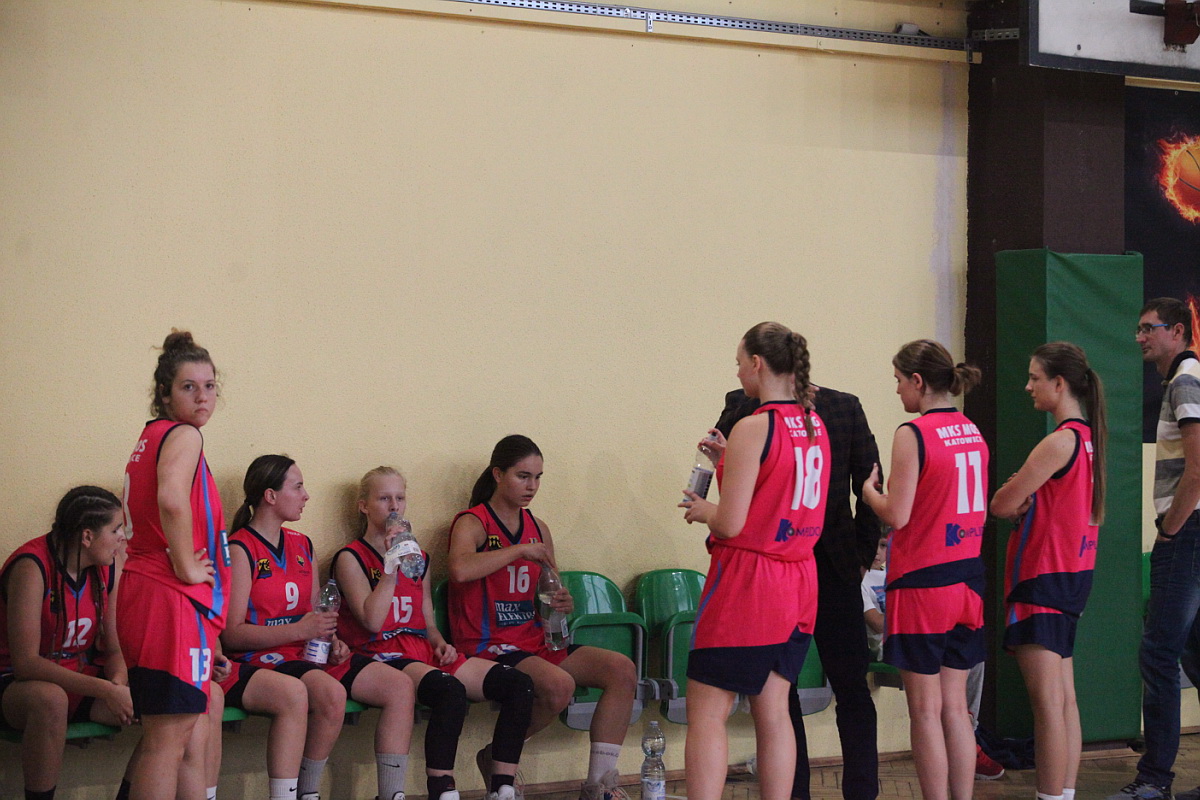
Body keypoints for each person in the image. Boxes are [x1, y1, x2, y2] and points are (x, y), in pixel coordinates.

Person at [679, 321, 830, 800]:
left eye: (740, 362)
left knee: (708, 711)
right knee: (774, 710)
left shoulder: (753, 426)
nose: (739, 371)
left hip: (751, 582)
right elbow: (774, 493)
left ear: (758, 364)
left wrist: (703, 510)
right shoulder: (813, 423)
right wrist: (729, 461)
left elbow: (730, 523)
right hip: (799, 579)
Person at [715, 382, 882, 800]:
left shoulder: (842, 406)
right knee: (779, 690)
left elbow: (871, 483)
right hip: (774, 566)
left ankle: (862, 791)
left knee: (851, 685)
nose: (740, 371)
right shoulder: (742, 406)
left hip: (833, 564)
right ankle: (793, 791)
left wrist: (863, 555)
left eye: (742, 360)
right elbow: (731, 477)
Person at [448, 435, 638, 800]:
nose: (532, 486)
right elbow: (459, 570)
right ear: (498, 474)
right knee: (558, 685)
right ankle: (498, 758)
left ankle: (599, 784)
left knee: (621, 670)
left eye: (537, 477)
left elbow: (549, 588)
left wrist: (561, 601)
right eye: (523, 476)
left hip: (532, 639)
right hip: (488, 643)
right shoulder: (473, 522)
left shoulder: (539, 528)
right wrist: (518, 550)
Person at [220, 455, 416, 800]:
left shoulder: (301, 544)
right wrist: (299, 631)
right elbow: (232, 634)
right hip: (259, 657)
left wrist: (332, 638)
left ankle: (371, 793)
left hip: (302, 651)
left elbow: (316, 613)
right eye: (297, 487)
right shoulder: (240, 548)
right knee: (328, 693)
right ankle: (299, 792)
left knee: (397, 686)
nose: (306, 495)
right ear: (270, 496)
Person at [334, 466, 535, 800]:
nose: (394, 506)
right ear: (364, 506)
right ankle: (442, 789)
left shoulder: (420, 558)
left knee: (519, 684)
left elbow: (426, 622)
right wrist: (390, 567)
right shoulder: (350, 557)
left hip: (420, 650)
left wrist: (441, 644)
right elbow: (371, 621)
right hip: (380, 654)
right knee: (449, 691)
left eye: (400, 498)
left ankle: (502, 786)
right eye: (384, 499)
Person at [862, 339, 987, 800]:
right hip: (968, 578)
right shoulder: (971, 429)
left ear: (918, 381)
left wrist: (869, 492)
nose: (897, 390)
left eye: (899, 381)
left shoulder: (912, 433)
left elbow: (897, 514)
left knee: (925, 711)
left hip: (923, 582)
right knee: (956, 709)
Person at [118, 330, 231, 800]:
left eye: (209, 385)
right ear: (165, 393)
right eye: (189, 387)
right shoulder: (184, 435)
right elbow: (170, 500)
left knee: (183, 738)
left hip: (150, 594)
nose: (202, 396)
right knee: (166, 743)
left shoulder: (153, 436)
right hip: (167, 596)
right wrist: (186, 567)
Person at [992, 342, 1107, 800]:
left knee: (1047, 706)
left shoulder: (1059, 441)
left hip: (1042, 578)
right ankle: (1064, 793)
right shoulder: (1089, 440)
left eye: (1035, 378)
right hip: (1072, 575)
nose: (1028, 386)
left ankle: (1050, 796)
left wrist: (1019, 497)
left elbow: (1001, 503)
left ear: (1059, 384)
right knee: (1064, 701)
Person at [1108, 299, 1200, 800]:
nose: (1140, 337)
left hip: (1188, 533)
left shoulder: (1185, 380)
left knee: (1159, 653)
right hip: (1192, 531)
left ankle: (1154, 780)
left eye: (1149, 328)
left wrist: (1169, 529)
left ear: (1177, 330)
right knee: (1194, 653)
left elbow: (1197, 468)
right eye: (1138, 329)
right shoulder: (1182, 380)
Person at [0, 486, 133, 800]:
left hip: (80, 678)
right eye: (115, 529)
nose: (122, 538)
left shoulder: (109, 566)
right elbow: (26, 664)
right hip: (17, 684)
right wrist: (105, 691)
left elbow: (114, 648)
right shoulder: (32, 566)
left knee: (163, 702)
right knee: (51, 700)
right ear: (87, 536)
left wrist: (118, 684)